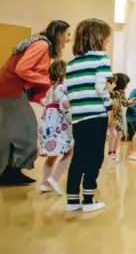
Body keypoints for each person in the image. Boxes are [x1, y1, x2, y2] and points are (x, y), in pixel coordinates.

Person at [0, 20, 71, 186]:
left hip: (13, 90)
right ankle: (10, 172)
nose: (69, 39)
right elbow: (22, 69)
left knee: (14, 132)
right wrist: (48, 81)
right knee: (26, 129)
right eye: (68, 35)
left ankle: (10, 171)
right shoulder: (42, 45)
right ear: (59, 34)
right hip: (10, 89)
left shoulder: (43, 47)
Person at [65, 18, 113, 213]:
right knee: (95, 158)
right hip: (96, 116)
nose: (108, 42)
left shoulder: (71, 63)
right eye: (107, 38)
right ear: (99, 38)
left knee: (79, 156)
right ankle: (88, 200)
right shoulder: (101, 59)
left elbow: (70, 91)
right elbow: (101, 88)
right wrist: (109, 107)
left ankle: (72, 200)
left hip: (78, 117)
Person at [38, 59, 73, 195]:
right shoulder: (62, 88)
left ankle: (45, 183)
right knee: (69, 152)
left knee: (51, 156)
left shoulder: (51, 89)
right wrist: (73, 119)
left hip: (47, 124)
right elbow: (65, 106)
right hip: (58, 125)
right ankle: (54, 178)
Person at [108, 73, 136, 162]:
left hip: (119, 116)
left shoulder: (121, 93)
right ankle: (110, 152)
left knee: (119, 135)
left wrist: (133, 101)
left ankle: (114, 152)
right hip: (112, 115)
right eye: (126, 83)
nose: (126, 85)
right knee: (114, 134)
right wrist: (114, 104)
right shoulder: (111, 92)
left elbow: (125, 103)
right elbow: (108, 101)